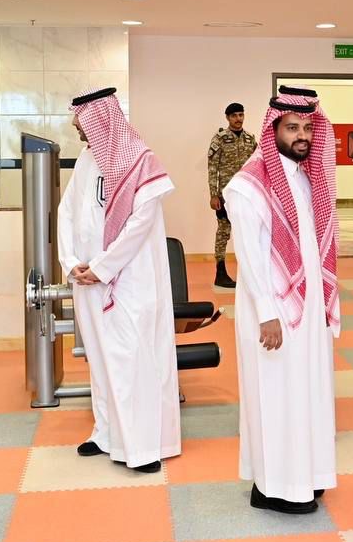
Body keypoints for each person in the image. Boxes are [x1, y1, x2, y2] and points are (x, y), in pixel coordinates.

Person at [225, 85, 339, 514]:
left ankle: (306, 475)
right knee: (274, 395)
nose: (302, 136)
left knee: (307, 390)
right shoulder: (247, 186)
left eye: (308, 127)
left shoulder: (307, 178)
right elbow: (250, 258)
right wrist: (267, 314)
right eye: (292, 128)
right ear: (273, 130)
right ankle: (273, 487)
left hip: (307, 309)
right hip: (271, 311)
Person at [58, 87, 180, 474]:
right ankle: (107, 434)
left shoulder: (140, 160)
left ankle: (143, 447)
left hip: (128, 282)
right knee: (100, 360)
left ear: (98, 116)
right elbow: (66, 212)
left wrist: (104, 266)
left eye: (79, 116)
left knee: (132, 360)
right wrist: (71, 262)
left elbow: (139, 224)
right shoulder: (86, 158)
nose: (75, 124)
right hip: (87, 280)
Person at [206, 102, 257, 288]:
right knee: (223, 232)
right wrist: (214, 195)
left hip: (246, 194)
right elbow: (213, 168)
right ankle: (220, 273)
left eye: (241, 115)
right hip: (226, 195)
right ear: (227, 118)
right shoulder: (219, 139)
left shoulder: (250, 139)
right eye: (234, 115)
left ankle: (249, 273)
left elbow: (257, 166)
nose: (238, 119)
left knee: (249, 232)